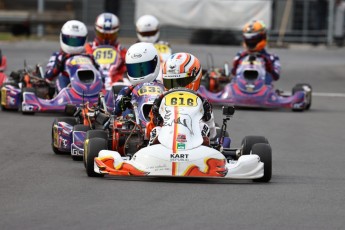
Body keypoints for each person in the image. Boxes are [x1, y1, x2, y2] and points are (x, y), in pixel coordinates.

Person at [150, 52, 216, 141]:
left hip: (194, 140)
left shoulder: (202, 102)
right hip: (166, 139)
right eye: (171, 82)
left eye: (181, 82)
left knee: (203, 127)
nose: (177, 88)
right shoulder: (160, 101)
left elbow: (212, 135)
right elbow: (150, 127)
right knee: (156, 131)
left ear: (194, 78)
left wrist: (207, 115)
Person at [44, 20, 98, 92]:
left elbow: (100, 74)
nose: (73, 44)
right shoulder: (58, 56)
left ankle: (99, 97)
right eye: (70, 41)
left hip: (87, 83)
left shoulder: (89, 57)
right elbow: (48, 77)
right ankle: (64, 97)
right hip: (66, 87)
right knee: (61, 77)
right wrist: (59, 65)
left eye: (77, 41)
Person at [114, 42, 163, 116]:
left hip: (160, 120)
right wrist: (123, 102)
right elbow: (116, 111)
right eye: (135, 69)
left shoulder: (164, 89)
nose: (139, 73)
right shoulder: (126, 91)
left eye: (144, 68)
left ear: (155, 64)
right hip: (133, 124)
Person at [231, 20, 281, 84]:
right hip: (240, 89)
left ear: (263, 37)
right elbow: (233, 73)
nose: (251, 42)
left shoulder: (272, 58)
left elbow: (276, 77)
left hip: (263, 89)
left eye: (254, 39)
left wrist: (269, 68)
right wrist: (235, 65)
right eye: (248, 40)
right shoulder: (240, 55)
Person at [85, 13, 127, 84]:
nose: (106, 39)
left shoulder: (123, 52)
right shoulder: (87, 49)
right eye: (102, 35)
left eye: (110, 36)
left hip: (115, 86)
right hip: (91, 82)